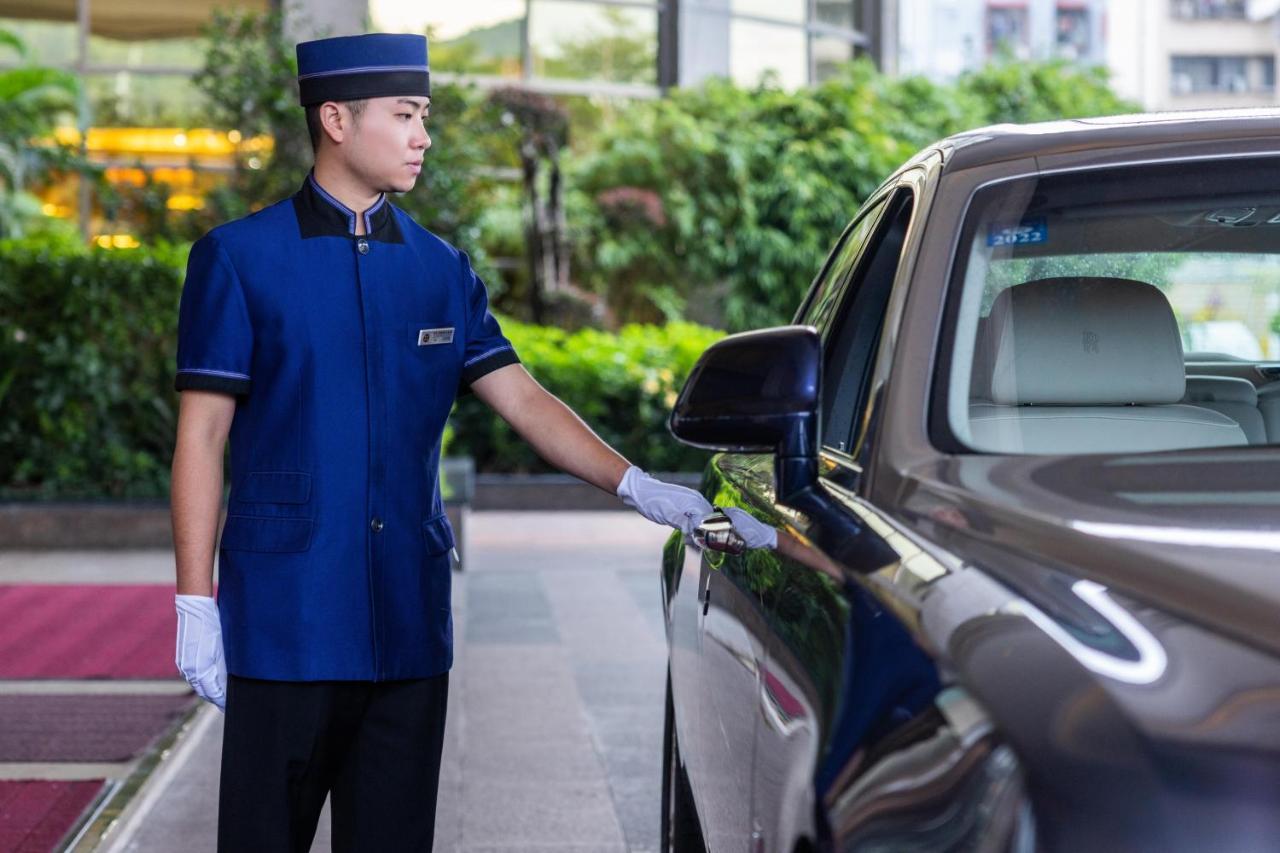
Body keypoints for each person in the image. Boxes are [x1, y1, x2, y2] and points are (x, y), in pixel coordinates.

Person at [168, 32, 755, 853]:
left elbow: (521, 396)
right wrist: (196, 599)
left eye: (425, 116)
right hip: (286, 620)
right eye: (406, 115)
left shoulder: (441, 269)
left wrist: (640, 486)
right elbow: (201, 435)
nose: (423, 135)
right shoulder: (237, 259)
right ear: (336, 118)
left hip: (406, 621)